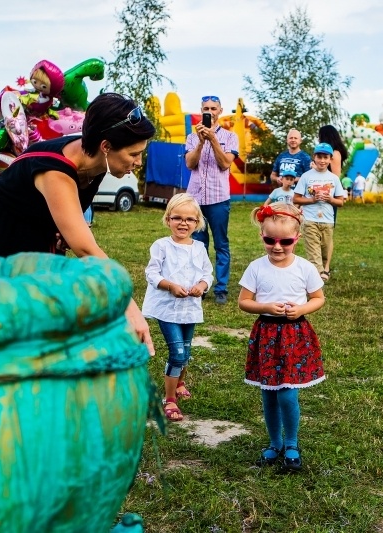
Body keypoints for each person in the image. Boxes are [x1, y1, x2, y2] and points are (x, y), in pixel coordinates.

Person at [0, 92, 156, 355]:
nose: (137, 163)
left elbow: (71, 219)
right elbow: (87, 250)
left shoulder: (96, 161)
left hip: (36, 227)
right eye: (133, 154)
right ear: (105, 146)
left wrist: (64, 227)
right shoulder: (57, 171)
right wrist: (128, 304)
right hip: (3, 231)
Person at [238, 203, 326, 472]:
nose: (277, 247)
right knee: (269, 394)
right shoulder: (256, 267)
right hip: (266, 335)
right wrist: (265, 307)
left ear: (296, 239)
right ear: (262, 236)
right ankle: (274, 442)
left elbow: (318, 298)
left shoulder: (305, 268)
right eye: (270, 240)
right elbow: (244, 302)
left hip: (293, 335)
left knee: (287, 394)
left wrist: (301, 309)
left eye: (285, 241)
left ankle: (291, 443)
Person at [141, 193, 213, 422]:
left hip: (189, 308)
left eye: (189, 219)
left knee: (187, 350)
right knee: (178, 353)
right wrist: (170, 285)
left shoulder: (199, 248)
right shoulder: (162, 246)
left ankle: (180, 382)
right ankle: (169, 399)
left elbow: (206, 274)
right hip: (167, 308)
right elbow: (151, 273)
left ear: (197, 223)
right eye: (177, 218)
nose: (183, 223)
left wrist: (202, 286)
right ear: (168, 219)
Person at [185, 95, 239, 305]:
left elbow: (225, 163)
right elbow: (190, 164)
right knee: (198, 244)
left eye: (213, 108)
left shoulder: (230, 137)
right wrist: (200, 142)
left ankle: (221, 288)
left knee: (221, 244)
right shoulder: (192, 137)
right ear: (201, 110)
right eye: (206, 108)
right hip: (195, 199)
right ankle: (202, 285)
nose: (210, 112)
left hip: (218, 198)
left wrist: (213, 140)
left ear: (220, 110)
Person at [293, 143, 346, 282]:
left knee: (324, 249)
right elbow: (296, 199)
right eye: (319, 157)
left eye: (325, 157)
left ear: (330, 159)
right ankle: (318, 277)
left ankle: (321, 270)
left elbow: (340, 202)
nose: (322, 160)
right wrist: (312, 200)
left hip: (328, 221)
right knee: (313, 249)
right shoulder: (306, 176)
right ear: (314, 157)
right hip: (309, 220)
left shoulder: (334, 179)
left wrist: (330, 199)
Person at [317, 125, 349, 274]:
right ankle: (318, 265)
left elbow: (335, 177)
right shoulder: (326, 154)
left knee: (327, 233)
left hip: (328, 198)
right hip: (318, 197)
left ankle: (326, 266)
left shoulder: (335, 154)